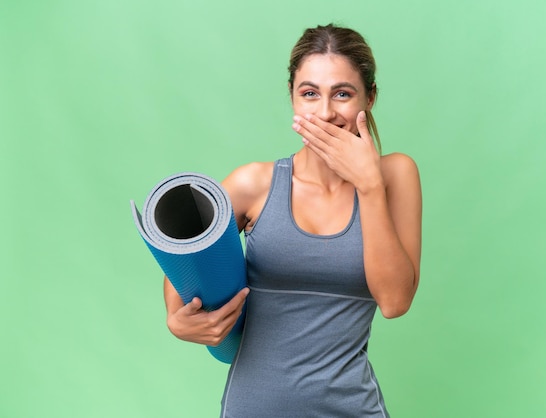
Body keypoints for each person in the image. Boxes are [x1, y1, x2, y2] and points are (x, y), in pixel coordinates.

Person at [163, 23, 422, 417]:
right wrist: (178, 321)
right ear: (292, 98)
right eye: (310, 94)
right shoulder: (254, 184)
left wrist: (368, 185)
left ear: (369, 98)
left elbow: (395, 300)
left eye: (343, 93)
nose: (325, 112)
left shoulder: (395, 176)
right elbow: (184, 261)